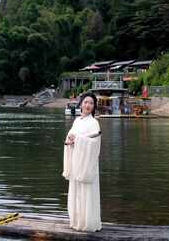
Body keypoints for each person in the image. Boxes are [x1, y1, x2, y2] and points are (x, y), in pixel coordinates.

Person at [62, 92, 102, 232]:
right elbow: (71, 137)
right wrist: (70, 139)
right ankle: (77, 221)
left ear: (94, 106)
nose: (88, 105)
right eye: (86, 102)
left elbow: (95, 143)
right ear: (81, 104)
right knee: (76, 192)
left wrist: (78, 139)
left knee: (87, 192)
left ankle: (88, 223)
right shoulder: (77, 121)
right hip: (76, 162)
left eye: (91, 103)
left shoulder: (94, 122)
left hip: (87, 165)